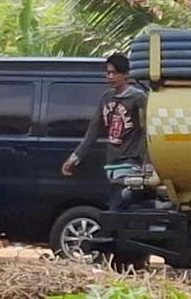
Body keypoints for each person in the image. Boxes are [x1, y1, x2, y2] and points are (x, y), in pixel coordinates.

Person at [61, 53, 148, 210]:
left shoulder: (138, 98)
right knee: (115, 204)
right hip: (112, 163)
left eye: (114, 72)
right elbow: (94, 130)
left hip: (131, 163)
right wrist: (75, 157)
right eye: (108, 72)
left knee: (121, 203)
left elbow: (146, 130)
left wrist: (145, 162)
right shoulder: (106, 97)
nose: (110, 76)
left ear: (126, 74)